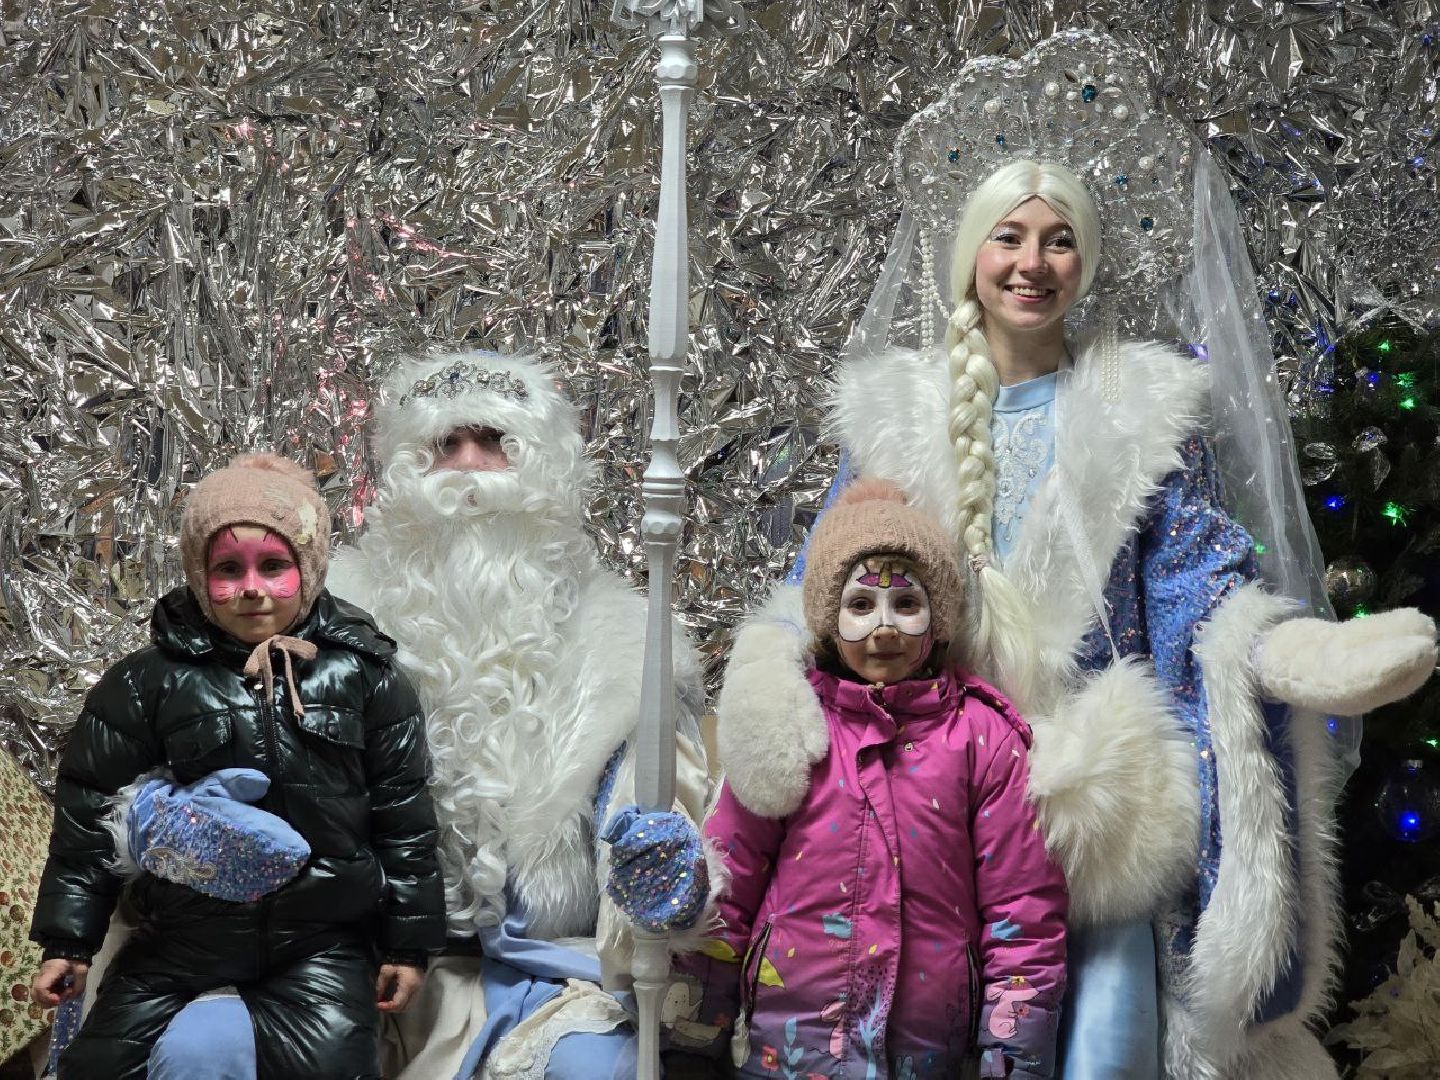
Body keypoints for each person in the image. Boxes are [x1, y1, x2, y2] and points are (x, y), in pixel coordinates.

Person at [724, 31, 1438, 1080]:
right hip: (928, 777)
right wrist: (769, 664)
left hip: (1082, 786)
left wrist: (1293, 651)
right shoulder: (898, 415)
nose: (1033, 263)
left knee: (1108, 1040)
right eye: (1010, 236)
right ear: (971, 251)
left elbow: (1200, 580)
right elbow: (832, 576)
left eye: (1059, 240)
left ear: (1087, 261)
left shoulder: (1139, 408)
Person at [325, 349, 715, 1079]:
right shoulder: (338, 621)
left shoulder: (624, 644)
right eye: (445, 444)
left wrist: (661, 873)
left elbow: (651, 805)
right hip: (374, 962)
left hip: (559, 968)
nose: (469, 469)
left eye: (495, 441)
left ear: (544, 466)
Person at [28, 452, 446, 1080]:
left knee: (335, 1065)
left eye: (273, 566)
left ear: (310, 566)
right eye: (228, 568)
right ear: (199, 575)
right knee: (99, 1065)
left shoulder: (366, 677)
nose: (252, 587)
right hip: (182, 935)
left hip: (320, 940)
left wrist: (407, 947)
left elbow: (404, 817)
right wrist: (70, 942)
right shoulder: (147, 683)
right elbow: (88, 816)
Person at [670, 479, 1066, 1079]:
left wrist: (1016, 1061)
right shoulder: (788, 718)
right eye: (860, 605)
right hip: (788, 1051)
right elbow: (732, 872)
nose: (884, 628)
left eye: (905, 604)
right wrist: (692, 1037)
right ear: (829, 619)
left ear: (939, 617)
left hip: (924, 1055)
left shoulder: (984, 738)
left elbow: (1023, 908)